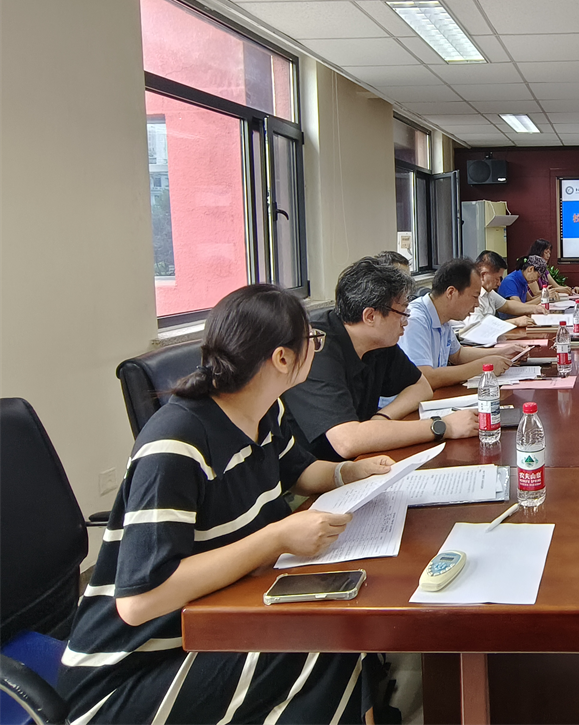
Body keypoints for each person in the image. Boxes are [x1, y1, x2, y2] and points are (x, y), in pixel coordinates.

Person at [60, 284, 393, 725]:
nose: (317, 348)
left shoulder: (264, 411)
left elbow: (299, 471)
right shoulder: (175, 444)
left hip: (211, 622)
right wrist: (274, 538)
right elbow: (139, 601)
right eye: (311, 340)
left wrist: (347, 472)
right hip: (129, 672)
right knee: (325, 643)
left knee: (335, 629)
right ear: (281, 358)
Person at [283, 256, 477, 460]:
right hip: (317, 470)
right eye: (402, 312)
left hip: (361, 459)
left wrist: (383, 417)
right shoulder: (315, 347)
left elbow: (421, 386)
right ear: (370, 316)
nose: (406, 322)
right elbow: (347, 441)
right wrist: (442, 426)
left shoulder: (379, 341)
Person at [399, 256, 525, 389]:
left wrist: (503, 352)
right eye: (475, 297)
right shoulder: (415, 320)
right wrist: (483, 366)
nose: (477, 304)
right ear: (451, 292)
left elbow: (458, 354)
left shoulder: (443, 317)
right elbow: (425, 377)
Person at [462, 250, 545, 329]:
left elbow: (507, 305)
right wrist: (515, 322)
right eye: (497, 279)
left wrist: (535, 308)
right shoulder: (472, 295)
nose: (499, 283)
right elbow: (478, 328)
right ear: (483, 275)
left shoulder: (489, 292)